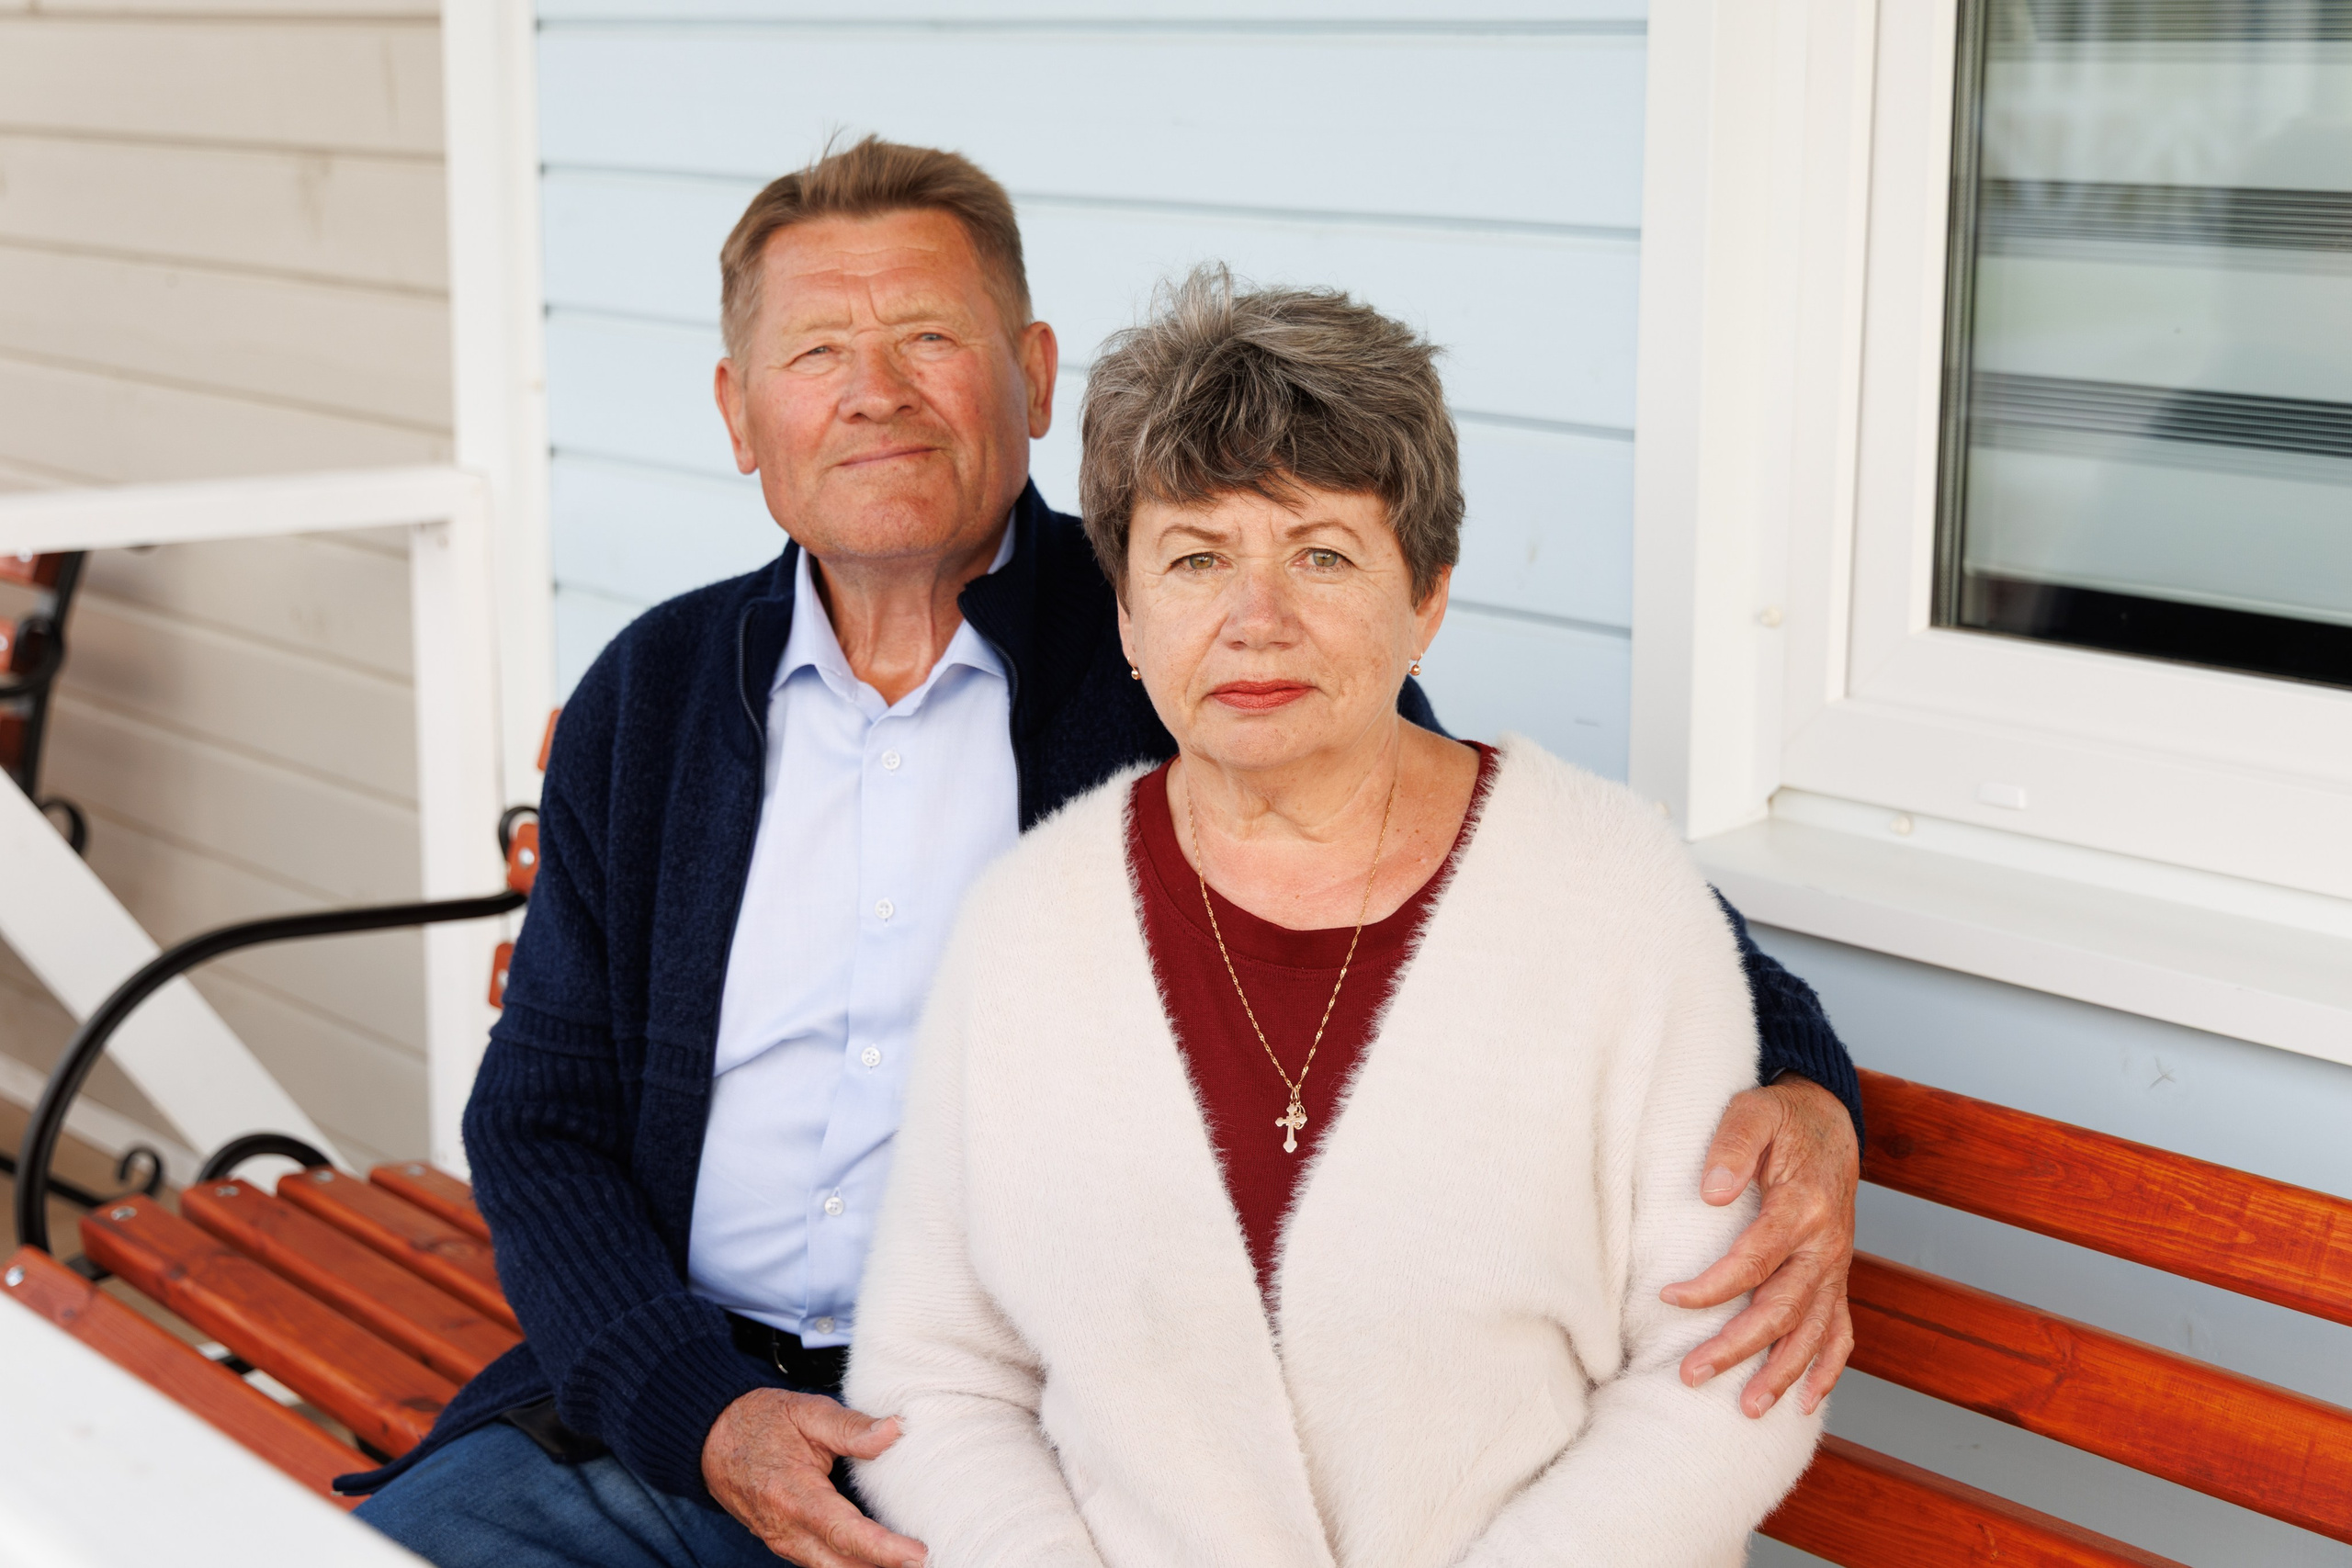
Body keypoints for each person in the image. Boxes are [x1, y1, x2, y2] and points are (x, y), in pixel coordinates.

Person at [351, 139, 1860, 1568]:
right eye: (817, 353)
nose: (875, 394)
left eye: (928, 338)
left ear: (1031, 378)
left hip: (1033, 1463)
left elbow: (1554, 884)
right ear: (742, 415)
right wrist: (702, 1415)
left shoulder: (1192, 632)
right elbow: (540, 1124)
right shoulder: (660, 693)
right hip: (680, 1423)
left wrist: (1806, 1086)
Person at [845, 269, 1822, 1568]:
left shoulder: (1615, 895)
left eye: (1322, 554)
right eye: (1194, 560)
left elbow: (1723, 1378)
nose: (1257, 622)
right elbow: (936, 1374)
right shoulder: (1029, 921)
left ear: (1426, 594)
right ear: (1129, 617)